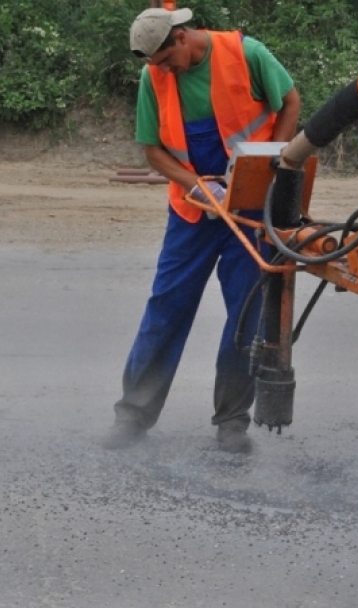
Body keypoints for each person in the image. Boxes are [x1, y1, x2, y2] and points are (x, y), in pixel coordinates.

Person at [101, 7, 301, 453]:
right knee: (166, 307)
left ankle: (232, 422)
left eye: (168, 61)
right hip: (194, 211)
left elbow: (289, 102)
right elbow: (153, 151)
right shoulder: (154, 78)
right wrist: (197, 185)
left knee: (246, 314)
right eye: (157, 67)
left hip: (249, 207)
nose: (165, 72)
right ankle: (132, 415)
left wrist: (274, 163)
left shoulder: (246, 54)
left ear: (183, 37)